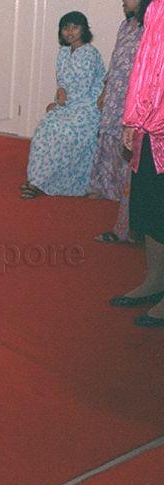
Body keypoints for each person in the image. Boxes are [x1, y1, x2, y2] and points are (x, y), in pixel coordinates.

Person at [110, 0, 164, 328]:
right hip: (150, 125)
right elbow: (147, 62)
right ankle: (156, 280)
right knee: (150, 208)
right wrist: (134, 119)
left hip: (156, 121)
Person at [20, 11, 105, 199]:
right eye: (66, 27)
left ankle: (51, 183)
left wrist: (61, 103)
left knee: (64, 131)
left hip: (87, 107)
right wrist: (57, 100)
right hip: (69, 105)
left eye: (75, 27)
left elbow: (83, 88)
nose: (70, 31)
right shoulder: (63, 52)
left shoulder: (90, 53)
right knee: (45, 127)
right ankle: (36, 180)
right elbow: (63, 85)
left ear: (84, 30)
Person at [92, 0, 148, 243]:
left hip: (137, 104)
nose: (123, 1)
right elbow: (116, 62)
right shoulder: (126, 26)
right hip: (117, 98)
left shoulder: (152, 26)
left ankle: (131, 229)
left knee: (133, 164)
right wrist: (105, 92)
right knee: (115, 150)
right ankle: (114, 200)